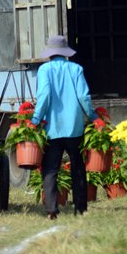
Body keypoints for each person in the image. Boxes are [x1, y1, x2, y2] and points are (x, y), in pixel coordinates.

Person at [31, 35, 97, 219]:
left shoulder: (44, 70)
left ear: (50, 53)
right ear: (65, 52)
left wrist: (35, 119)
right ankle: (80, 209)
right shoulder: (76, 69)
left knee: (50, 169)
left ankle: (52, 210)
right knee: (78, 167)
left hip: (52, 128)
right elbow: (84, 97)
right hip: (74, 127)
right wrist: (93, 116)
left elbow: (43, 96)